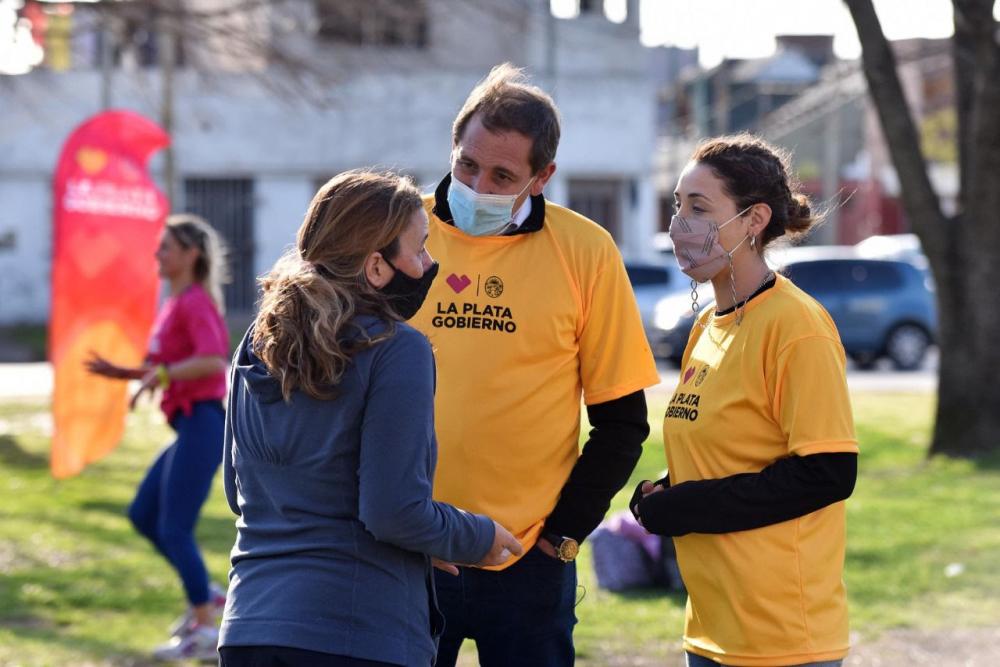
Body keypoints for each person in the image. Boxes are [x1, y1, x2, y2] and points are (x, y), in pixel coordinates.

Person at [407, 64, 661, 666]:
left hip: (527, 563)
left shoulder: (587, 252)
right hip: (405, 552)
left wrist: (562, 538)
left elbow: (622, 424)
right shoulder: (399, 233)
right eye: (467, 164)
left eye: (502, 175)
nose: (476, 185)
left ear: (542, 176)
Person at [217, 170, 523, 667]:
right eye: (420, 249)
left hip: (250, 626)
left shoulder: (258, 340)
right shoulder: (397, 349)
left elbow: (240, 492)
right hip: (354, 633)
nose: (429, 264)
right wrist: (475, 536)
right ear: (376, 267)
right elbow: (392, 511)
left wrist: (427, 537)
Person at [631, 134, 859, 667]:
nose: (677, 224)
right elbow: (732, 449)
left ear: (754, 220)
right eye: (677, 206)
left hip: (782, 637)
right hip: (712, 628)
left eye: (699, 207)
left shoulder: (797, 326)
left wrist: (688, 507)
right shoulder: (707, 326)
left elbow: (827, 472)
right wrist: (666, 491)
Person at [85, 214, 231, 661]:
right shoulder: (176, 302)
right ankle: (207, 596)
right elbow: (166, 361)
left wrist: (161, 374)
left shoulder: (195, 303)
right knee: (144, 514)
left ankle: (205, 627)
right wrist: (125, 373)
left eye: (165, 247)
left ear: (191, 254)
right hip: (189, 425)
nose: (157, 255)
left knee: (174, 526)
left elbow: (211, 360)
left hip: (205, 422)